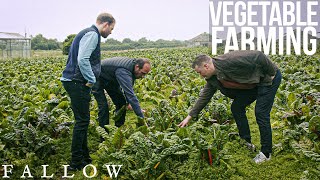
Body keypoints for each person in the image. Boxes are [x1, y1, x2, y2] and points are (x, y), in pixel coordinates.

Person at [178, 50, 282, 163]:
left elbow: (258, 55)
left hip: (268, 80)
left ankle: (266, 153)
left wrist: (271, 73)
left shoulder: (228, 60)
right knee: (236, 107)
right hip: (254, 84)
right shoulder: (212, 78)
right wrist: (189, 116)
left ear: (206, 66)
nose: (200, 75)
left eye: (199, 72)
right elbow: (204, 97)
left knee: (261, 113)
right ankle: (246, 141)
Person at [60, 12, 115, 171]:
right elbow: (82, 59)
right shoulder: (92, 34)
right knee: (82, 122)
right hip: (77, 82)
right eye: (111, 28)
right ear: (105, 24)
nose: (111, 32)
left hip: (73, 81)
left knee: (82, 120)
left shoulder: (86, 32)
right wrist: (91, 79)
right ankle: (76, 162)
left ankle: (84, 157)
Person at [92, 57, 151, 128]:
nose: (143, 76)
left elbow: (129, 88)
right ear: (137, 67)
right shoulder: (123, 71)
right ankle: (103, 133)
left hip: (110, 79)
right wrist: (141, 116)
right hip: (97, 77)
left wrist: (128, 103)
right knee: (104, 106)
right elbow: (130, 94)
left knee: (121, 103)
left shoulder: (133, 68)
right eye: (142, 73)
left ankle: (118, 128)